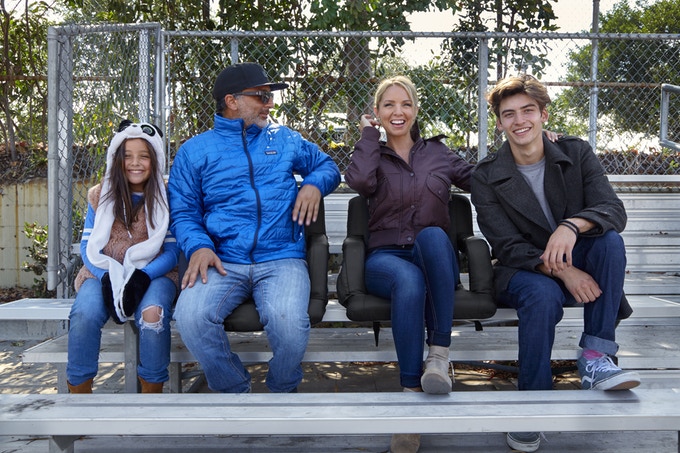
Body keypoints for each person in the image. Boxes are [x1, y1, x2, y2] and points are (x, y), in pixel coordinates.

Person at [471, 74, 641, 453]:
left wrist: (570, 226)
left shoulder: (576, 153)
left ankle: (596, 357)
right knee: (543, 293)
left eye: (528, 111)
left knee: (609, 242)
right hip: (521, 270)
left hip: (579, 255)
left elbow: (613, 210)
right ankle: (530, 402)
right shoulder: (486, 176)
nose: (520, 121)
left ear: (544, 114)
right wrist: (564, 270)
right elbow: (507, 245)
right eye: (509, 114)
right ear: (499, 123)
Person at [168, 62, 341, 394]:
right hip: (222, 259)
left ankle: (280, 390)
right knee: (190, 317)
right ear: (232, 101)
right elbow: (184, 211)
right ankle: (235, 391)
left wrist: (314, 184)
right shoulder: (194, 152)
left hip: (281, 258)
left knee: (290, 325)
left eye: (269, 96)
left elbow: (327, 165)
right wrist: (199, 246)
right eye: (261, 96)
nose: (269, 104)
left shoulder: (286, 139)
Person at [67, 120, 179, 394]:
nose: (135, 163)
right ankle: (79, 399)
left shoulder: (168, 196)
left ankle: (150, 395)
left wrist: (142, 277)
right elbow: (87, 247)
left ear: (156, 159)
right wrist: (106, 277)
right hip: (102, 270)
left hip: (156, 272)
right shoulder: (100, 194)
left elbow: (173, 251)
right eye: (127, 156)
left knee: (153, 314)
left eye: (143, 156)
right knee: (84, 313)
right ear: (117, 159)